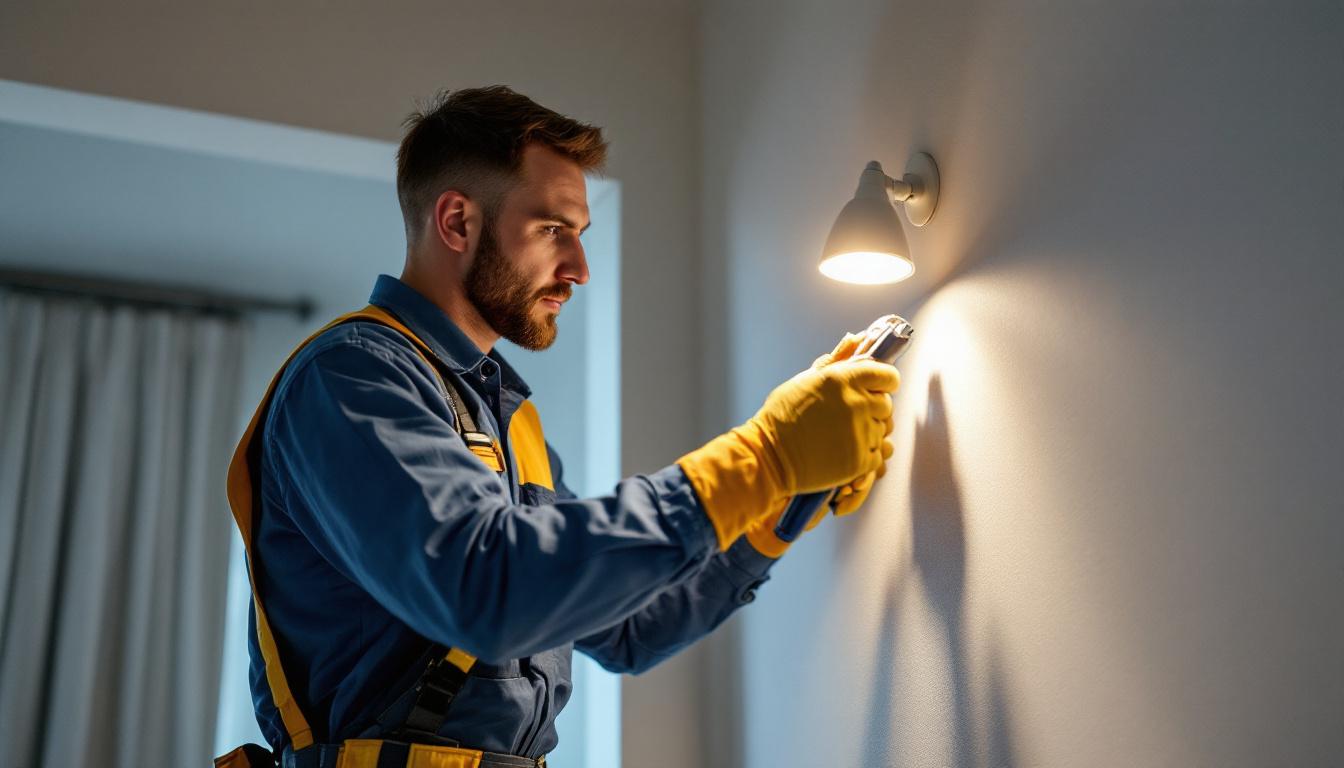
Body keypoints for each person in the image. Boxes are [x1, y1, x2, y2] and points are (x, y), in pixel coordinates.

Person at [217, 85, 899, 768]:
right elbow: (487, 590)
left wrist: (779, 503)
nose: (579, 269)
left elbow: (632, 628)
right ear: (457, 222)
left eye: (579, 234)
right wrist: (763, 457)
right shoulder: (351, 376)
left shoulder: (508, 419)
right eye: (552, 230)